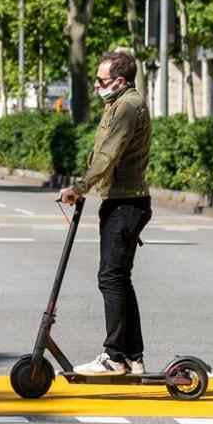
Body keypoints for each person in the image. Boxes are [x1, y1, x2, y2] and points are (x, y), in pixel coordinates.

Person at [58, 51, 153, 376]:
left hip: (126, 203)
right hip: (122, 200)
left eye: (101, 80)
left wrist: (80, 187)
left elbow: (109, 154)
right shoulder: (119, 103)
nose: (97, 85)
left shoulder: (126, 106)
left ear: (120, 80)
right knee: (118, 280)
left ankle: (115, 357)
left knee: (111, 278)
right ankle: (132, 356)